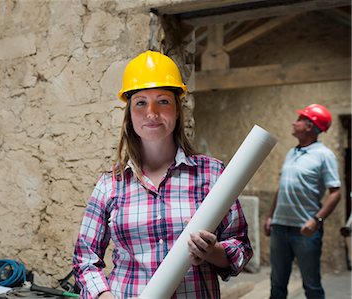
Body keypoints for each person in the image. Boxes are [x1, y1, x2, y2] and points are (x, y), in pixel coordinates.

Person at [73, 50, 253, 299]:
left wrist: (212, 251)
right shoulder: (111, 184)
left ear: (177, 110)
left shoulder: (212, 174)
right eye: (141, 102)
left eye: (163, 101)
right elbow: (85, 260)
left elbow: (241, 247)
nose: (152, 112)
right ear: (129, 115)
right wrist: (104, 297)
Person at [264, 104, 341, 299]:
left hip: (305, 230)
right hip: (280, 227)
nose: (293, 122)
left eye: (299, 119)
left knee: (312, 285)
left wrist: (316, 221)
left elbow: (336, 193)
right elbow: (282, 187)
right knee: (277, 284)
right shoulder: (292, 153)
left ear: (309, 126)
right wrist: (270, 216)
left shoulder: (324, 155)